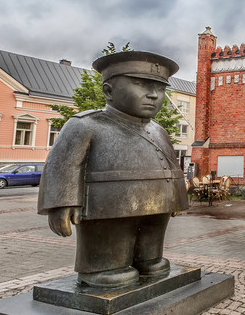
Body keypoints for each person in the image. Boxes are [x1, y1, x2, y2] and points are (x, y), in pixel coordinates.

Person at [38, 51, 188, 288]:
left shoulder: (158, 130)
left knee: (153, 234)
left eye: (160, 89)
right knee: (112, 236)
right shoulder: (86, 124)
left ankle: (148, 259)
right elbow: (62, 164)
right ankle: (103, 266)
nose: (153, 95)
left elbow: (170, 163)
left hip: (157, 202)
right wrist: (61, 203)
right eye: (141, 85)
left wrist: (174, 198)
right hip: (107, 206)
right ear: (108, 91)